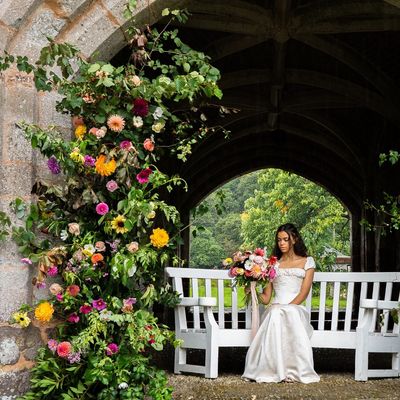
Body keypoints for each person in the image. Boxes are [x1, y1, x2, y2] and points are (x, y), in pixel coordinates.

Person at [242, 223, 320, 384]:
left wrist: (288, 308)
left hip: (296, 308)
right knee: (276, 312)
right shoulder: (273, 264)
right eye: (279, 240)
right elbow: (267, 298)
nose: (282, 243)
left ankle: (293, 370)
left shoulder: (307, 262)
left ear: (295, 239)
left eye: (285, 239)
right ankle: (274, 370)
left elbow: (303, 293)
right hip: (275, 308)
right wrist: (252, 289)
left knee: (284, 312)